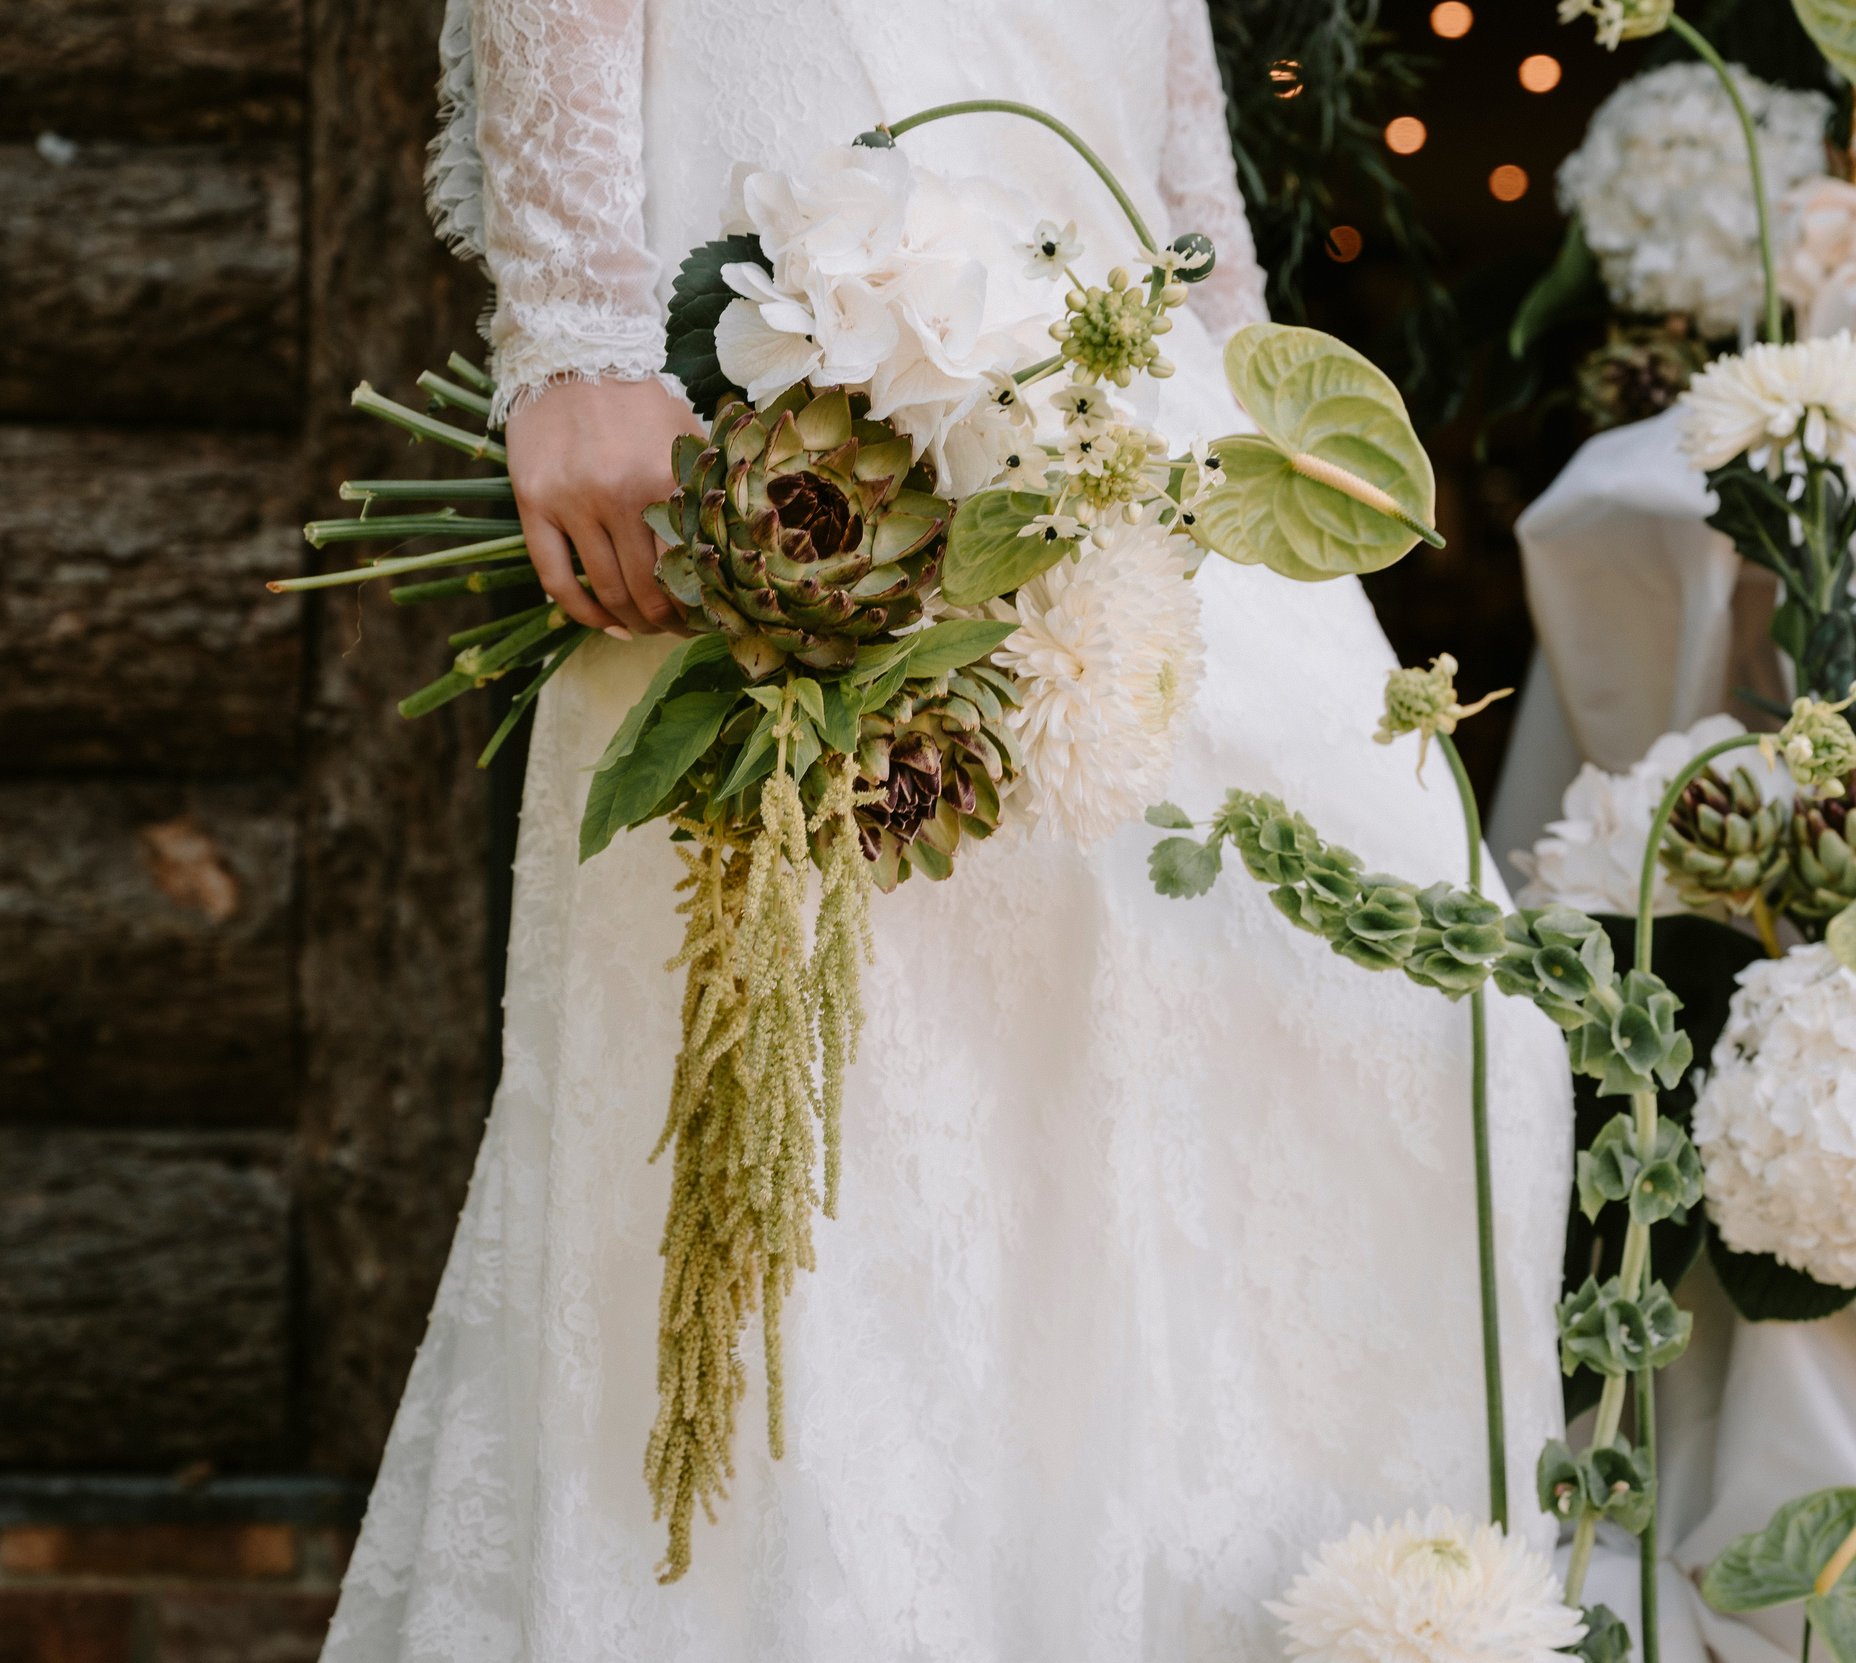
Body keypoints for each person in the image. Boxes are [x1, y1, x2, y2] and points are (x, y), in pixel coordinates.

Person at [318, 1, 1574, 1658]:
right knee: (857, 1149)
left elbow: (1170, 57)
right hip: (811, 257)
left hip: (1122, 331)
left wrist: (1235, 341)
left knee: (1425, 1017)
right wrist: (575, 332)